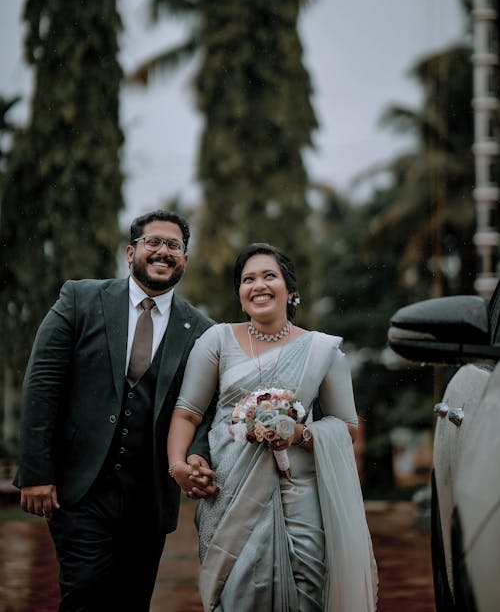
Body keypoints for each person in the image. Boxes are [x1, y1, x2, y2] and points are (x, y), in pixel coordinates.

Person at [14, 209, 217, 612]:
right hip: (80, 488)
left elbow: (206, 411)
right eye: (153, 242)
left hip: (150, 496)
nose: (163, 251)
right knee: (86, 595)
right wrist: (36, 471)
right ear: (130, 252)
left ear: (185, 259)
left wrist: (198, 457)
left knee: (131, 602)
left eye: (173, 245)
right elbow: (42, 384)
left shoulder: (202, 330)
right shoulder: (80, 298)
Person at [167, 242, 378, 612]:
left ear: (290, 290)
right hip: (230, 491)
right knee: (235, 594)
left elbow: (346, 427)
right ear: (239, 293)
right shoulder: (217, 340)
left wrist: (299, 434)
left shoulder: (321, 351)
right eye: (247, 279)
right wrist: (178, 465)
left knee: (308, 590)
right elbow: (187, 412)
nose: (258, 285)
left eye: (269, 276)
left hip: (299, 495)